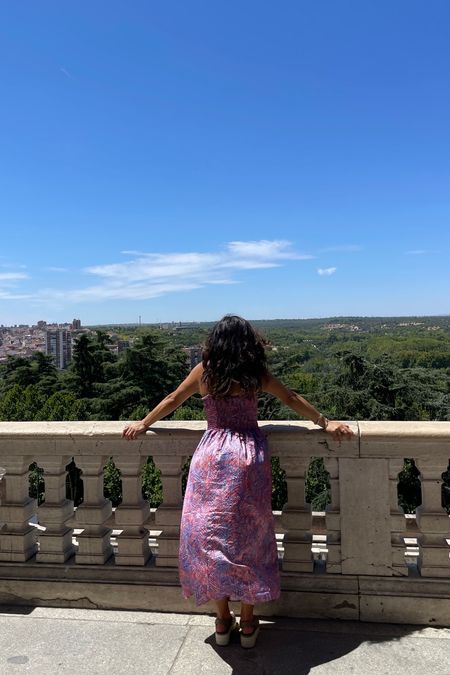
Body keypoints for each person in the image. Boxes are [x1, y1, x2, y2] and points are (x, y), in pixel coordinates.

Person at [122, 315, 353, 648]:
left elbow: (173, 400)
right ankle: (247, 621)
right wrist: (325, 421)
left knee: (210, 536)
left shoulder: (206, 371)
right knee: (251, 537)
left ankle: (221, 619)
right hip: (247, 455)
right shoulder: (254, 374)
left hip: (212, 456)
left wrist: (143, 423)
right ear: (247, 342)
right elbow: (290, 398)